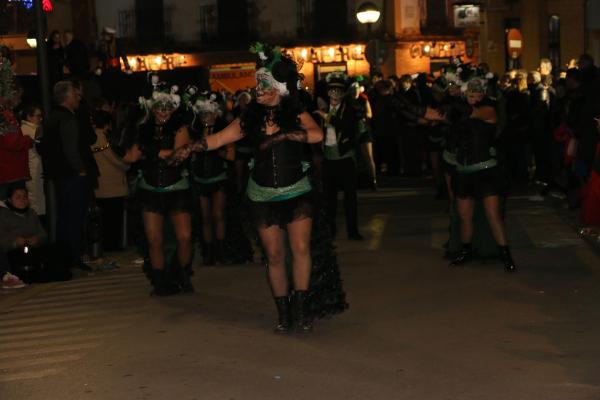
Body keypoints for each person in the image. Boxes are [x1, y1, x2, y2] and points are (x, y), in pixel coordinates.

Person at [172, 43, 340, 333]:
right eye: (258, 86)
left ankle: (301, 311)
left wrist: (282, 136)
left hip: (297, 191)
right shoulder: (248, 118)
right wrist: (190, 147)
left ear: (280, 87)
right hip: (262, 195)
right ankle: (284, 312)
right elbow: (220, 139)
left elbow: (316, 135)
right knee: (274, 255)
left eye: (266, 86)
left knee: (300, 248)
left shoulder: (296, 112)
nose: (260, 91)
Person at [121, 83, 194, 296]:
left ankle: (183, 275)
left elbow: (176, 156)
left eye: (167, 107)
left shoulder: (180, 129)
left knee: (185, 237)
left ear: (173, 109)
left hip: (177, 188)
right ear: (152, 108)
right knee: (154, 240)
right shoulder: (142, 129)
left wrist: (152, 151)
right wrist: (112, 143)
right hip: (150, 189)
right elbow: (131, 157)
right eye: (159, 107)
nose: (163, 111)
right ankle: (160, 281)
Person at [446, 78, 516, 272]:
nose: (473, 99)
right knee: (465, 216)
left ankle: (506, 255)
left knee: (493, 215)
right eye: (470, 96)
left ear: (483, 95)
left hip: (485, 171)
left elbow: (472, 113)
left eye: (477, 95)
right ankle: (466, 251)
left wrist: (455, 100)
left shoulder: (489, 110)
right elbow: (435, 115)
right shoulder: (460, 111)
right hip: (463, 171)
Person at [42, 81, 93, 271]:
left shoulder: (52, 117)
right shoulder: (68, 119)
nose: (78, 98)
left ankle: (65, 257)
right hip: (71, 175)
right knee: (74, 216)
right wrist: (80, 169)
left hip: (59, 175)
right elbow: (71, 149)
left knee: (64, 216)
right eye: (75, 95)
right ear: (68, 97)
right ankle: (73, 257)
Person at [315, 72, 363, 240]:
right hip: (329, 160)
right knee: (329, 199)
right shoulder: (323, 110)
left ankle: (353, 231)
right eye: (331, 91)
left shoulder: (349, 110)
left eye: (338, 92)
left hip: (345, 159)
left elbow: (347, 127)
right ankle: (330, 231)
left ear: (343, 94)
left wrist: (328, 117)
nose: (334, 95)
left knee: (350, 198)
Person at [188, 92, 233, 265]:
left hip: (218, 177)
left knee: (218, 214)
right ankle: (209, 253)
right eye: (202, 114)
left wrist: (213, 146)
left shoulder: (223, 131)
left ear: (215, 114)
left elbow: (231, 155)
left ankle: (221, 252)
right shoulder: (196, 132)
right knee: (205, 217)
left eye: (208, 113)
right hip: (200, 178)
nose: (205, 117)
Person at [91, 110, 129, 251]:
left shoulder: (91, 136)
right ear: (107, 123)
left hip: (99, 185)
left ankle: (104, 245)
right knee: (113, 220)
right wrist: (127, 164)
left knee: (104, 220)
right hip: (113, 186)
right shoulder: (105, 138)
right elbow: (114, 158)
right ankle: (112, 247)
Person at [0, 56, 32, 201]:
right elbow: (12, 142)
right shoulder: (5, 115)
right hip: (10, 172)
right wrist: (27, 140)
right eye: (18, 97)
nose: (19, 102)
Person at [19, 104, 45, 219]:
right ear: (29, 117)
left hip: (34, 169)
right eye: (38, 116)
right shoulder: (28, 129)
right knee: (35, 201)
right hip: (33, 170)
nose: (41, 119)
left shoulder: (28, 128)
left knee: (37, 199)